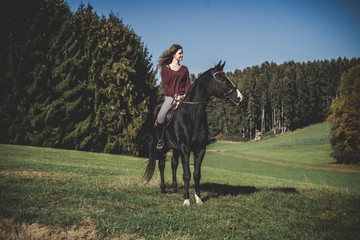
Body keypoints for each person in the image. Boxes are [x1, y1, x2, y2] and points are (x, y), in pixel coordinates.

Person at [156, 44, 191, 149]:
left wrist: (185, 94)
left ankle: (206, 136)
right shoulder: (165, 69)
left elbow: (187, 84)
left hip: (184, 98)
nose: (182, 55)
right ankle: (161, 139)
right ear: (173, 54)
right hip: (170, 98)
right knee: (161, 117)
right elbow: (165, 85)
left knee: (198, 112)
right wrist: (175, 95)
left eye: (182, 53)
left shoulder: (184, 69)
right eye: (180, 53)